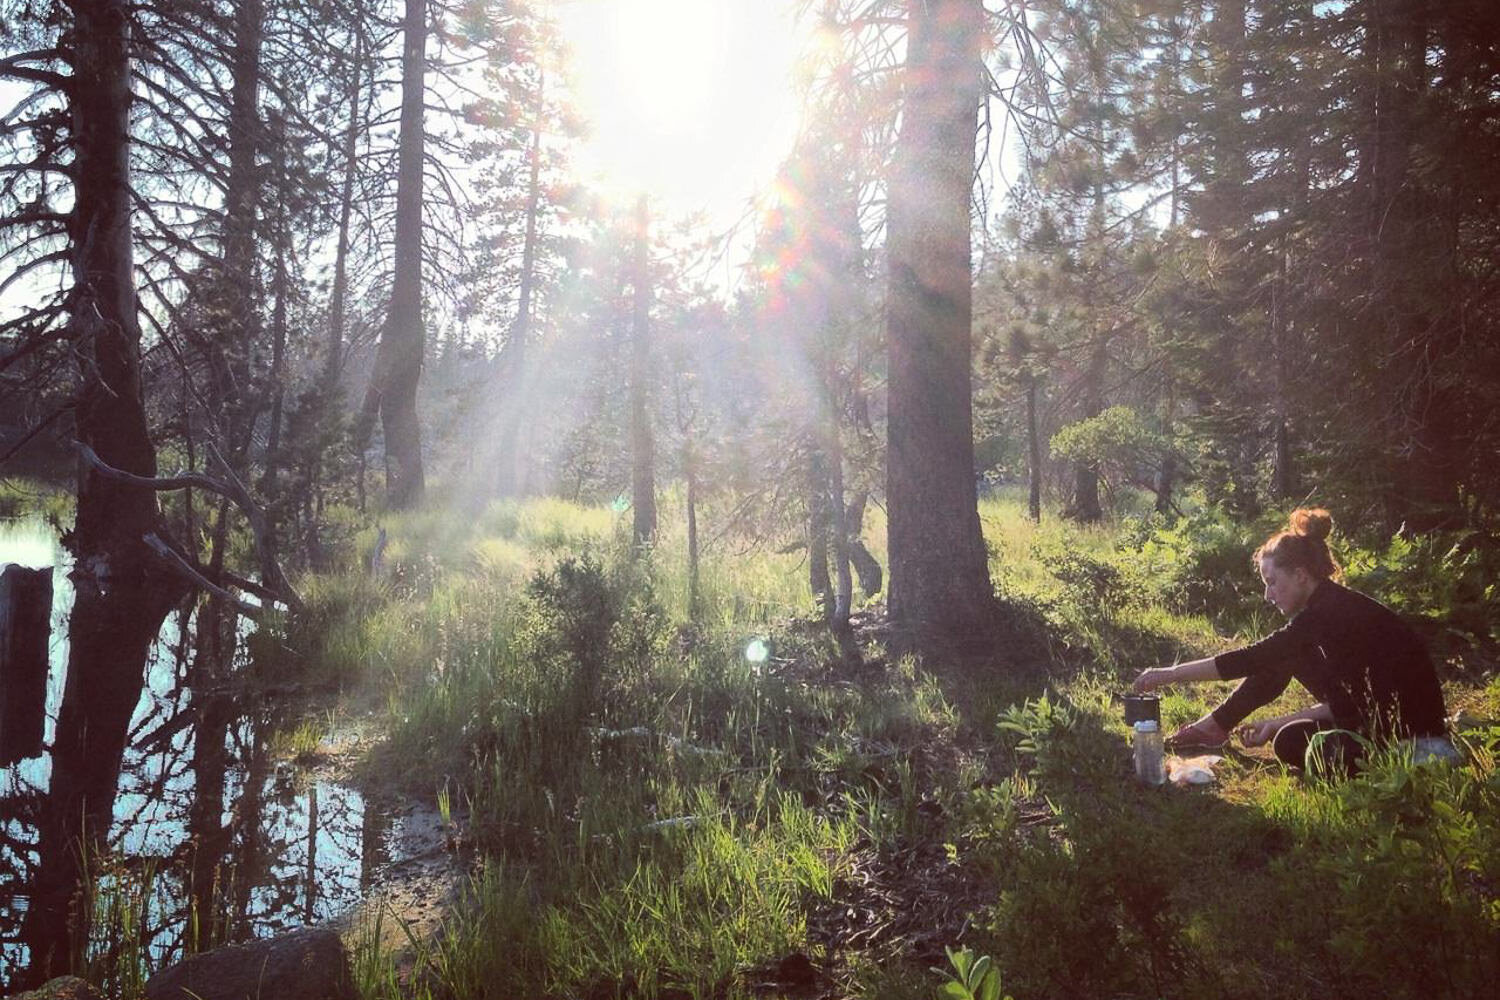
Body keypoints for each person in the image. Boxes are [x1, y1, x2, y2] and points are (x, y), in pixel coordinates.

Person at [1132, 508, 1460, 776]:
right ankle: (1215, 727)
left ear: (1301, 575)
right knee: (1287, 692)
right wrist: (1275, 723)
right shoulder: (1326, 606)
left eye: (1272, 582)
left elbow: (1250, 658)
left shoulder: (1329, 613)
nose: (1267, 594)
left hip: (1412, 738)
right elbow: (1350, 701)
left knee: (1290, 740)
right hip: (1377, 717)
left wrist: (1170, 674)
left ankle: (1408, 765)